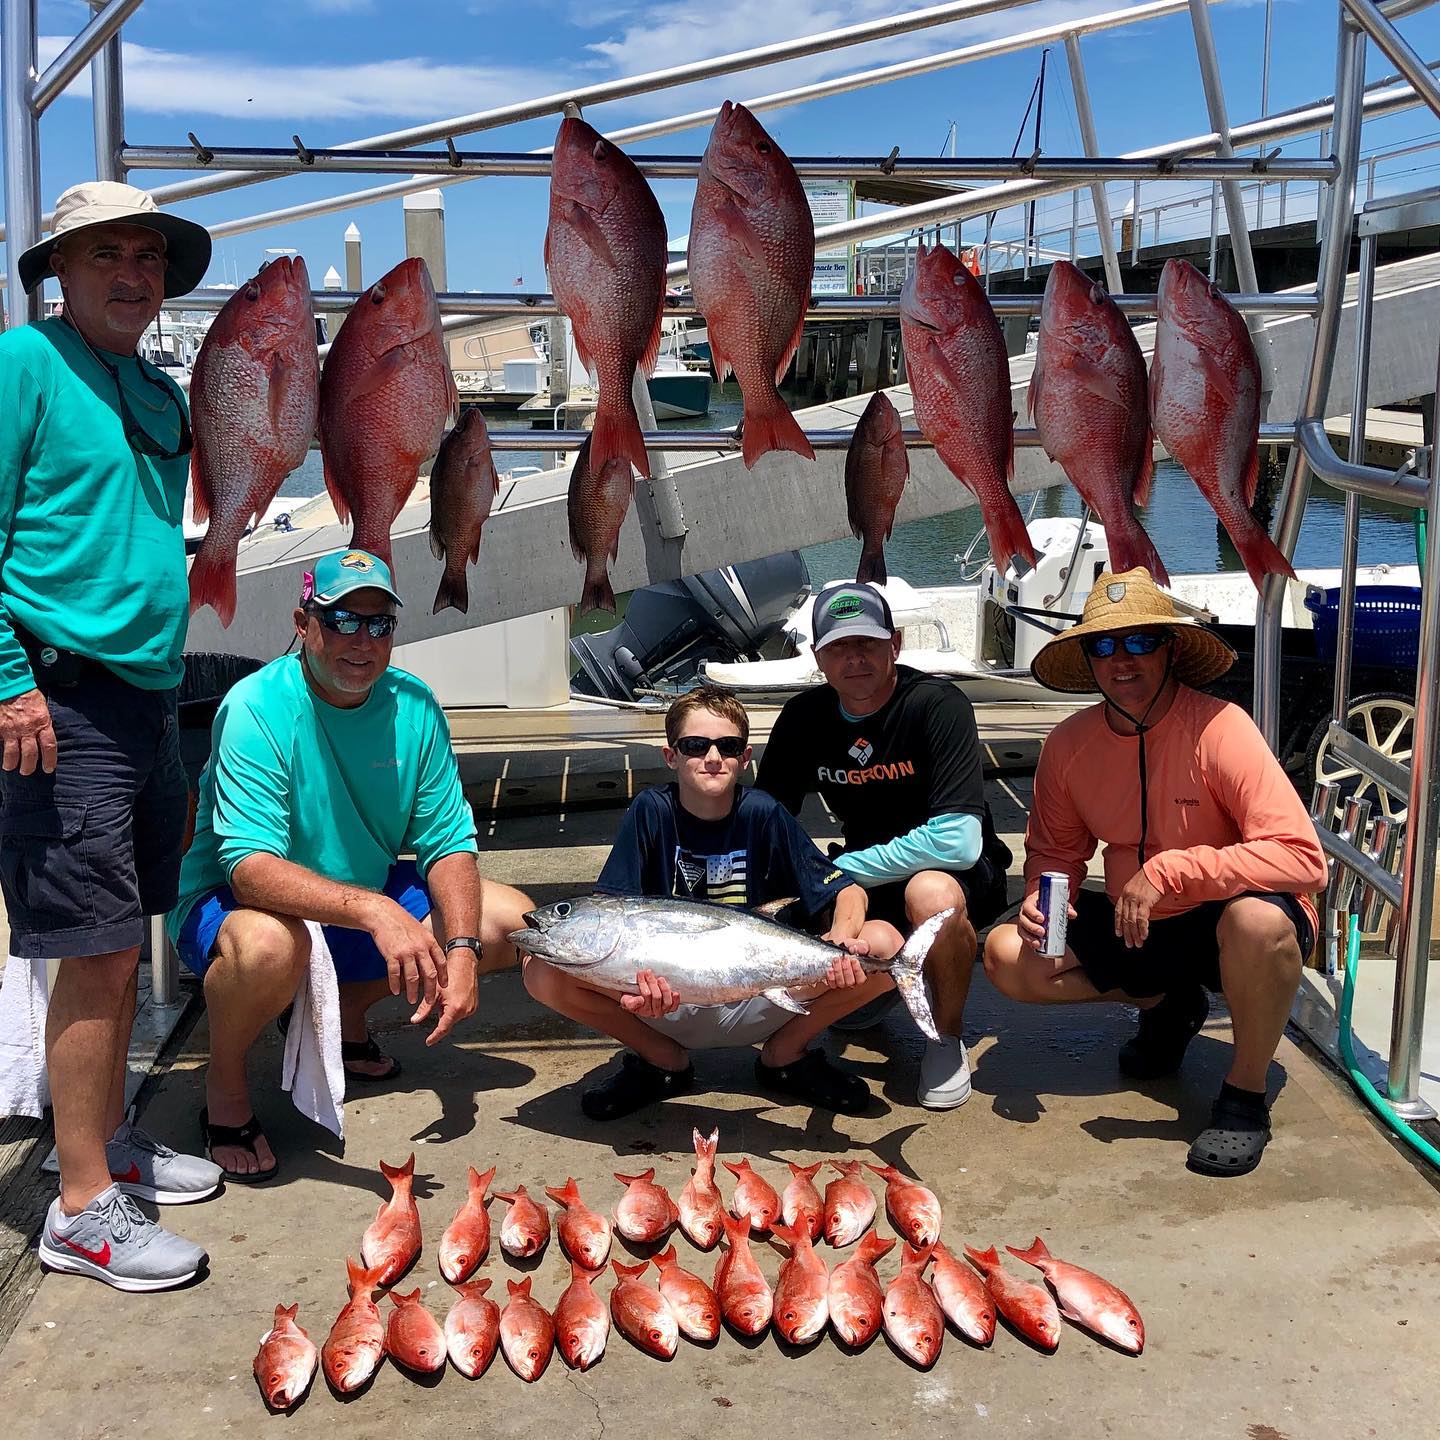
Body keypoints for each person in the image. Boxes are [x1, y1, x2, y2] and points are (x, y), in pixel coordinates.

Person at [1, 182, 223, 1291]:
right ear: (60, 269)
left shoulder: (158, 390)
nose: (133, 274)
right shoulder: (23, 364)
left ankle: (101, 1139)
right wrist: (10, 686)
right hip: (60, 696)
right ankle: (82, 1207)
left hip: (147, 697)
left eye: (147, 255)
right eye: (105, 254)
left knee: (122, 936)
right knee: (88, 948)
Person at [166, 549, 533, 1182]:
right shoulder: (255, 706)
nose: (362, 640)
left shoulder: (415, 704)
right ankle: (225, 1087)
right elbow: (249, 868)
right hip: (235, 901)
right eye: (342, 621)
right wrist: (377, 911)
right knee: (269, 949)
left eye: (379, 624)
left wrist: (463, 950)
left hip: (356, 893)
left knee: (512, 924)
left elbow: (448, 841)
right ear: (303, 624)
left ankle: (339, 1016)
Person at [983, 568, 1327, 1177]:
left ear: (1170, 649)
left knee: (1257, 924)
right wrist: (1042, 895)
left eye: (1141, 641)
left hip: (1227, 917)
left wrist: (1175, 869)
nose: (1122, 659)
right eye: (1103, 645)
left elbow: (1302, 858)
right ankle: (1169, 1001)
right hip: (1137, 922)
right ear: (1087, 660)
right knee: (1008, 955)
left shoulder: (1223, 726)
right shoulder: (1067, 744)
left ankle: (1245, 1093)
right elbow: (1056, 852)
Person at [522, 686, 904, 1119]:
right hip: (667, 1001)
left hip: (765, 997)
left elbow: (847, 891)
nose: (713, 757)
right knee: (542, 970)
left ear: (745, 757)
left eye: (728, 746)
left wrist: (840, 943)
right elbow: (611, 910)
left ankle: (785, 1054)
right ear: (671, 756)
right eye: (695, 746)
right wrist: (629, 985)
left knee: (885, 943)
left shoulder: (763, 812)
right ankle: (662, 1061)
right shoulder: (651, 811)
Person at [756, 582, 1010, 1110]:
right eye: (839, 647)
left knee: (931, 894)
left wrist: (837, 872)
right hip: (867, 878)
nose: (855, 658)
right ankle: (880, 985)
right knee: (789, 911)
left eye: (868, 643)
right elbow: (764, 824)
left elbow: (958, 842)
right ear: (817, 656)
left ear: (895, 643)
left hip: (955, 874)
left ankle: (945, 1036)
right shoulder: (803, 716)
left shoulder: (937, 705)